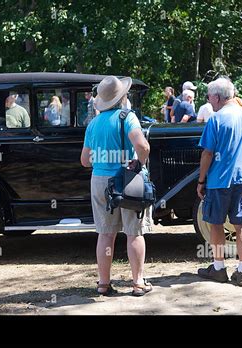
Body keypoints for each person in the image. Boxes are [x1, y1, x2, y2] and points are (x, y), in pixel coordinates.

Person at [80, 75, 153, 297]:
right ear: (122, 97)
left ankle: (103, 284)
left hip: (100, 181)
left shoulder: (93, 124)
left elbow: (85, 161)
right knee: (134, 233)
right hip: (127, 180)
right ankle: (138, 283)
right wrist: (138, 162)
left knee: (105, 234)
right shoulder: (127, 117)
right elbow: (143, 146)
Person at [196, 77, 242, 287]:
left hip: (219, 180)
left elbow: (207, 154)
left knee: (216, 223)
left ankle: (219, 267)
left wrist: (201, 180)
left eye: (209, 96)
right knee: (241, 224)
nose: (208, 101)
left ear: (217, 96)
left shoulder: (216, 119)